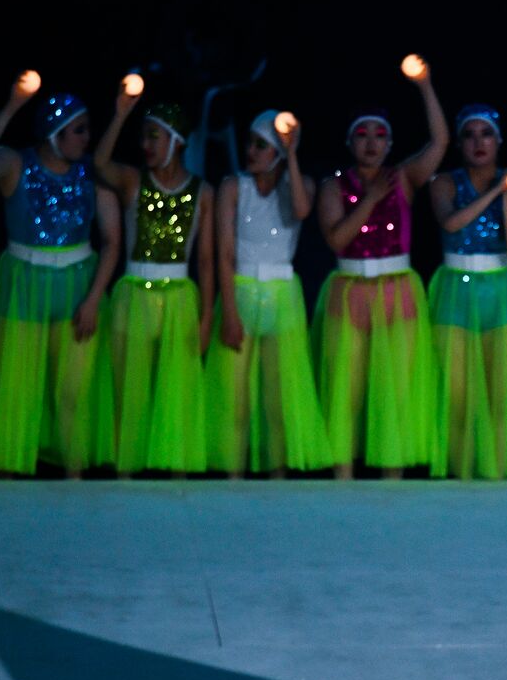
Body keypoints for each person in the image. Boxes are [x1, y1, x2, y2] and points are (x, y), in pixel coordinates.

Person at [0, 79, 121, 477]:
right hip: (24, 286)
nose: (87, 138)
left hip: (77, 287)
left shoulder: (92, 175)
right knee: (19, 392)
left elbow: (112, 242)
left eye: (88, 129)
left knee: (71, 393)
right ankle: (10, 481)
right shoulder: (17, 165)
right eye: (79, 129)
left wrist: (92, 299)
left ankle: (74, 479)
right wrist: (12, 105)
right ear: (55, 133)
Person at [314, 60, 449, 479]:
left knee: (394, 386)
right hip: (350, 286)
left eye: (379, 135)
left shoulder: (403, 177)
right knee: (345, 386)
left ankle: (392, 476)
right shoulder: (332, 185)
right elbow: (336, 239)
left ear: (390, 142)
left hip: (396, 289)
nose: (371, 143)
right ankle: (342, 474)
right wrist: (369, 199)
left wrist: (425, 86)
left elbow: (440, 142)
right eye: (362, 134)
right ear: (349, 141)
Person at [94, 93, 214, 475]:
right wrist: (119, 114)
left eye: (153, 137)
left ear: (176, 141)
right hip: (134, 292)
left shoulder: (202, 191)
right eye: (143, 137)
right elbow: (98, 164)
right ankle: (127, 473)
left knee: (174, 389)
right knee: (132, 386)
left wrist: (208, 314)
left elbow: (207, 259)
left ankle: (175, 472)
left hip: (179, 296)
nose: (145, 146)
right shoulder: (133, 180)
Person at [205, 110, 330, 477]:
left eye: (262, 145)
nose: (251, 150)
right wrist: (228, 311)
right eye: (250, 143)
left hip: (281, 296)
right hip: (242, 291)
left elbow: (302, 211)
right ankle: (232, 474)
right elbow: (224, 255)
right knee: (236, 397)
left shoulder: (300, 184)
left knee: (277, 397)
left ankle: (276, 477)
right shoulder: (233, 187)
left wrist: (291, 153)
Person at [428, 104, 507, 479]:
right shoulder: (445, 183)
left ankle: (496, 474)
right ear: (460, 142)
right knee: (459, 394)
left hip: (501, 289)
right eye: (470, 134)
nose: (479, 142)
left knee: (498, 393)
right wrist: (497, 190)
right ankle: (461, 474)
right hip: (456, 289)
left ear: (498, 140)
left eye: (486, 134)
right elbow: (451, 222)